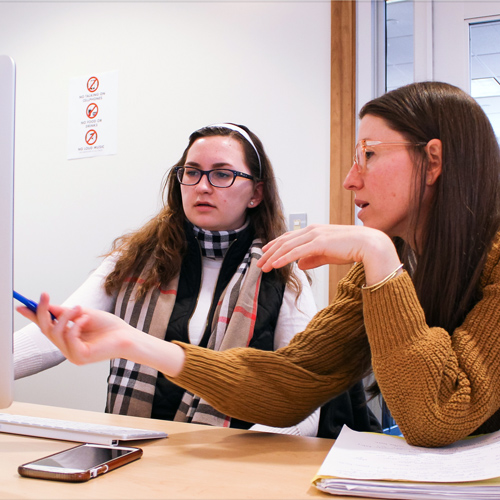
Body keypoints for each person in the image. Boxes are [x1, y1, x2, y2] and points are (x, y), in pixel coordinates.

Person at [24, 80, 500, 449]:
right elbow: (291, 382)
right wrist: (136, 343)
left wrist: (377, 252)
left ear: (433, 161)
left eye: (369, 156)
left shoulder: (384, 262)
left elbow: (437, 416)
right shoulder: (135, 256)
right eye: (192, 173)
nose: (350, 180)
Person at [14, 123, 323, 435]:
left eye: (222, 174)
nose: (202, 186)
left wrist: (244, 457)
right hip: (132, 453)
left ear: (256, 193)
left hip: (233, 463)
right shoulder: (133, 258)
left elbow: (303, 404)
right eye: (192, 172)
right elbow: (59, 330)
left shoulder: (283, 269)